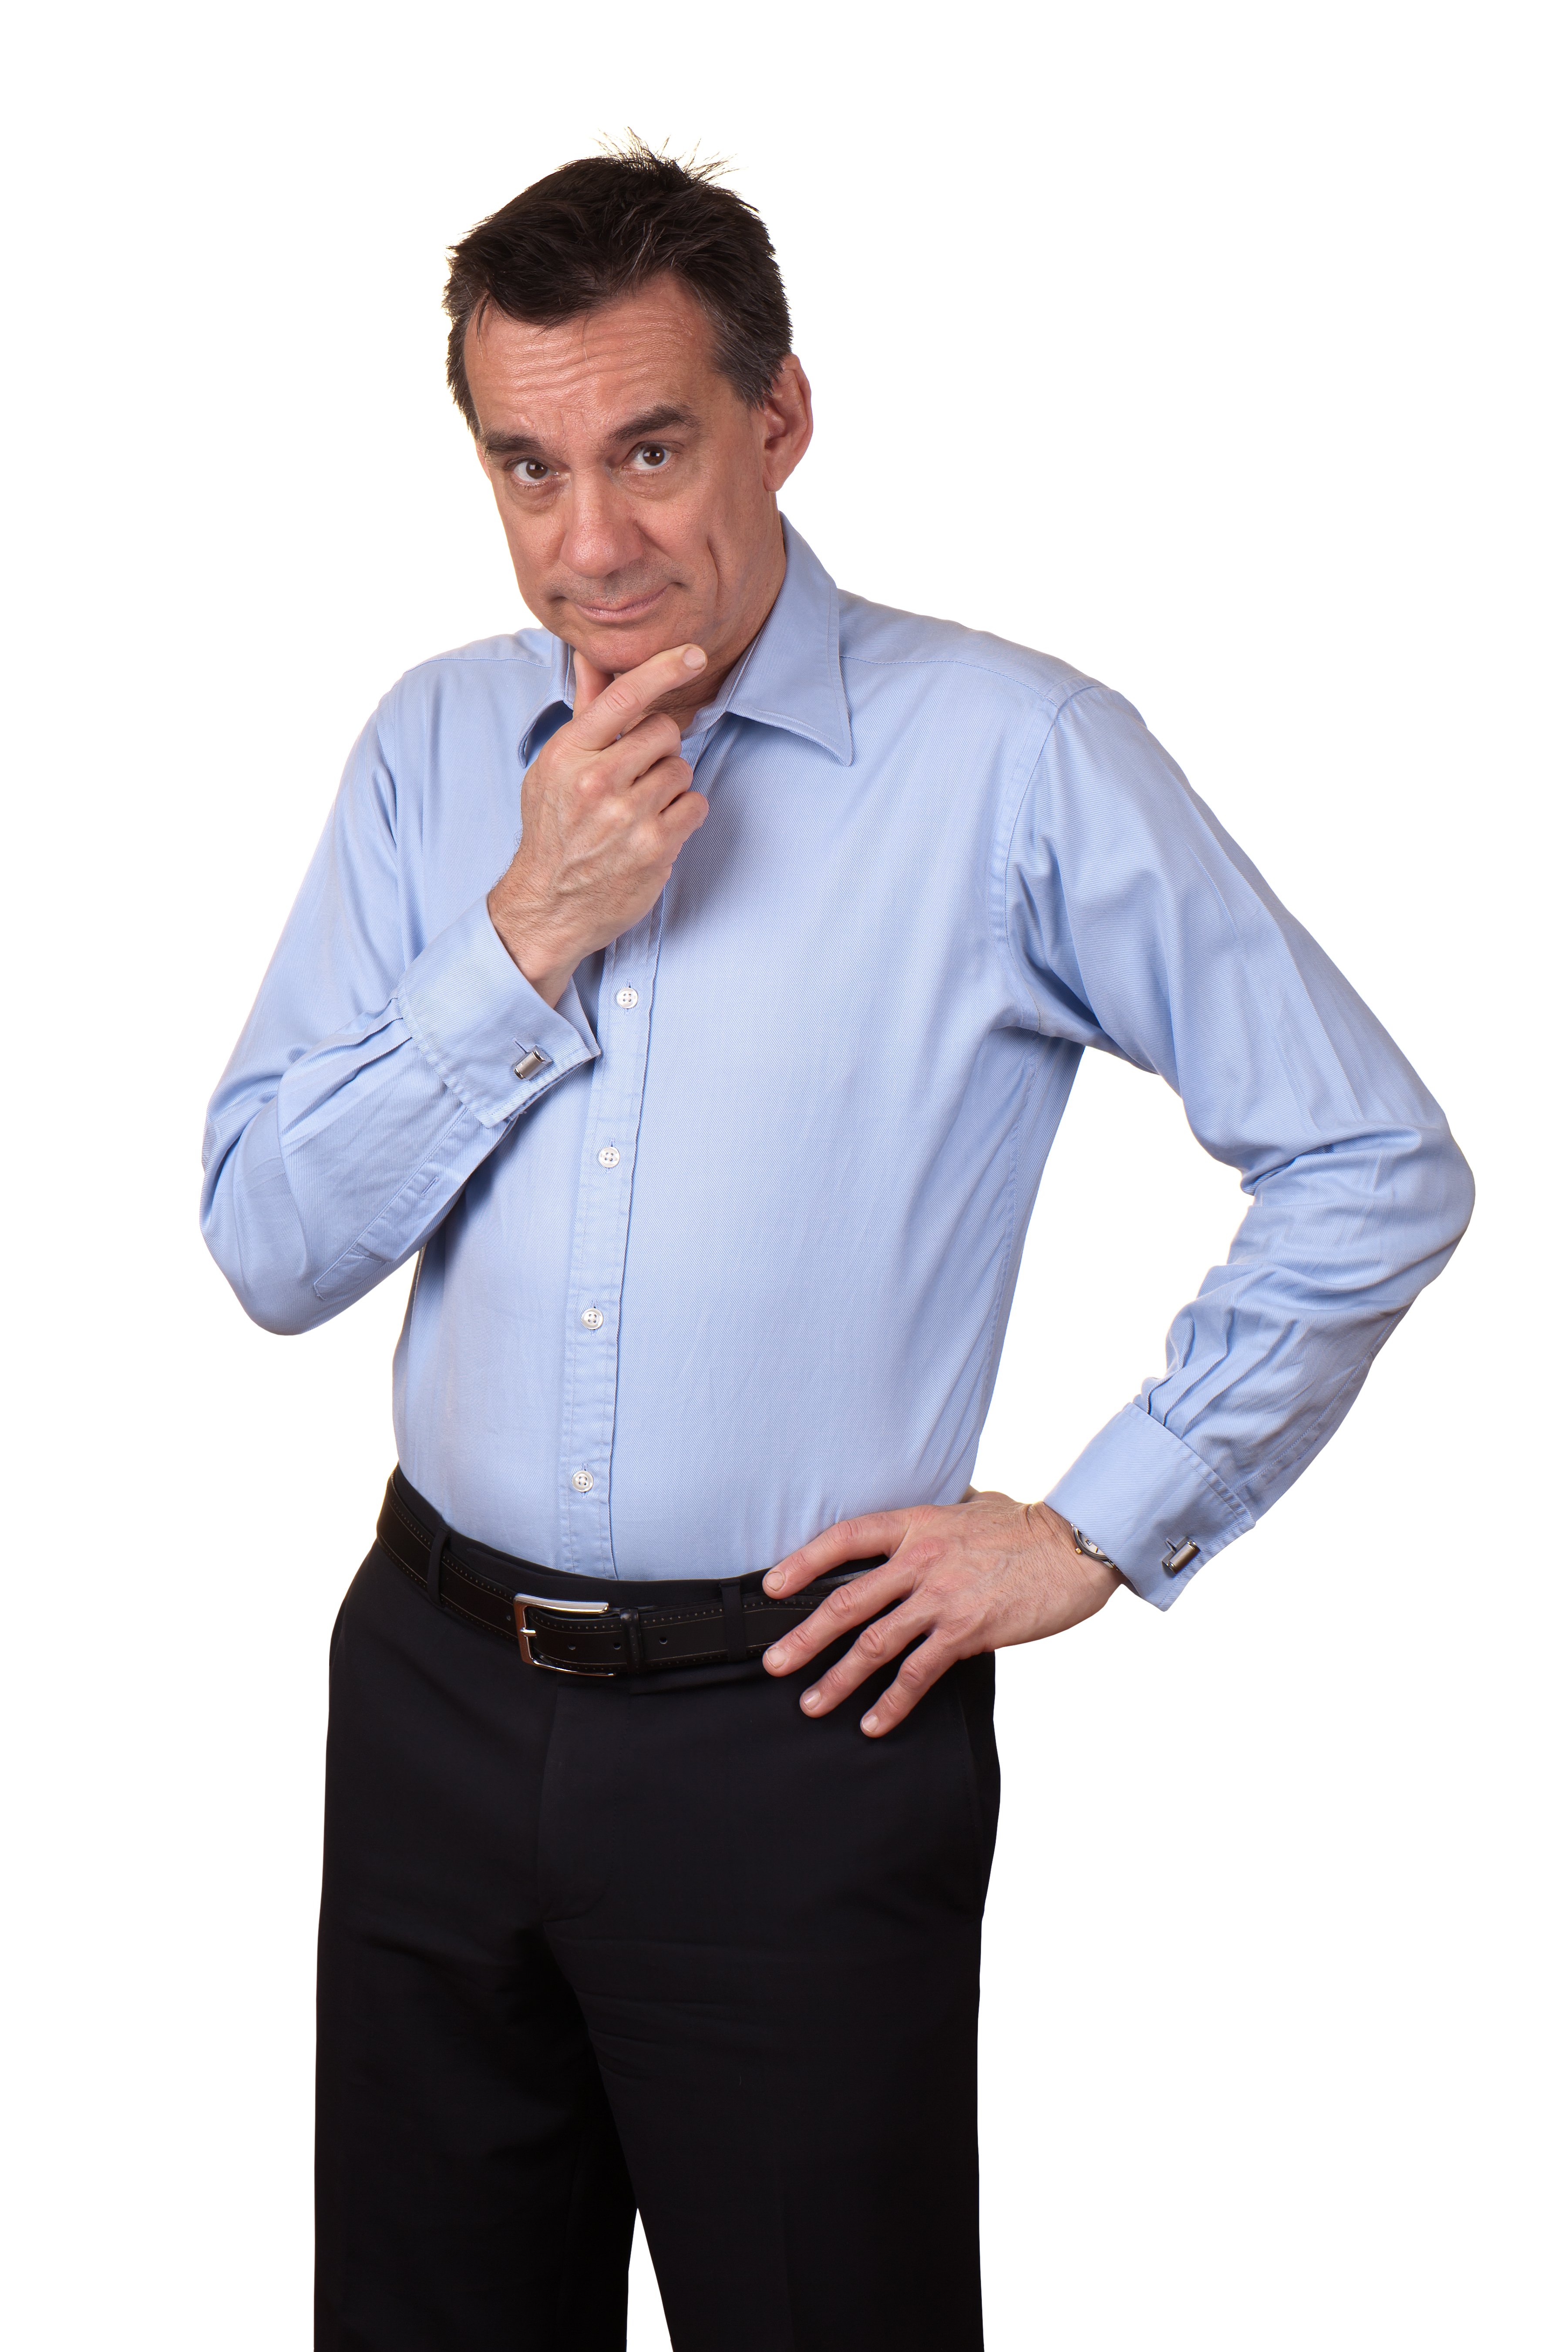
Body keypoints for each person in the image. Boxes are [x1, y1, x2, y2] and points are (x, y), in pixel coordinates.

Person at [201, 141, 1473, 2352]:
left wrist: (1094, 1525)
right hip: (419, 1695)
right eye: (526, 467)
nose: (586, 543)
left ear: (783, 420)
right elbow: (264, 1241)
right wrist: (527, 939)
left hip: (796, 1732)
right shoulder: (430, 754)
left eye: (652, 448)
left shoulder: (1017, 760)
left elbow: (1369, 1156)